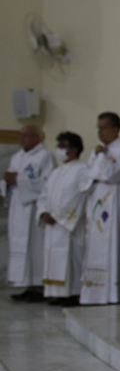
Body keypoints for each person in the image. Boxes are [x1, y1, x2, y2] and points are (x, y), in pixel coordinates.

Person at [80, 112, 120, 305]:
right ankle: (94, 294)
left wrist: (102, 159)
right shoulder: (97, 150)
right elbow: (86, 175)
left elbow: (113, 174)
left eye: (103, 127)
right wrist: (99, 165)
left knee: (114, 246)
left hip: (114, 205)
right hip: (96, 204)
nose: (100, 132)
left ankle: (115, 293)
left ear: (115, 129)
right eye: (98, 127)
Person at [38, 132, 89, 306]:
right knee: (53, 257)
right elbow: (43, 195)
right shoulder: (56, 172)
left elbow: (79, 197)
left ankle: (73, 293)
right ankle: (57, 293)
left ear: (74, 150)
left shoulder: (82, 170)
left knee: (70, 259)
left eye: (62, 146)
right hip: (52, 224)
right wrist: (43, 212)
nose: (58, 150)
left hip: (67, 225)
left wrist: (58, 216)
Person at [2, 125, 53, 301]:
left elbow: (47, 183)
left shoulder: (44, 156)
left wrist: (18, 180)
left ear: (38, 137)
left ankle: (39, 286)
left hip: (33, 209)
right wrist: (7, 182)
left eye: (26, 135)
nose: (22, 139)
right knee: (19, 247)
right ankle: (27, 285)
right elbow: (11, 181)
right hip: (18, 208)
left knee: (34, 248)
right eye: (21, 135)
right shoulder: (17, 157)